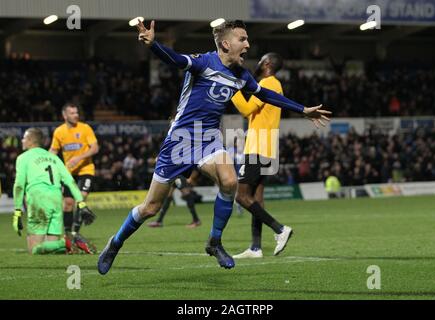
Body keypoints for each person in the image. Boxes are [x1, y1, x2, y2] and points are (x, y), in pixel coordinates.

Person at [97, 19, 331, 275]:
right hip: (181, 141)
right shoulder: (203, 62)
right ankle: (116, 242)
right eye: (242, 39)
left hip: (208, 138)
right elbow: (175, 59)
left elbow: (265, 95)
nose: (248, 44)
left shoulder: (241, 75)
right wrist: (154, 45)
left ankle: (214, 241)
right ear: (225, 43)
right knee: (150, 208)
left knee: (230, 182)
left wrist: (302, 110)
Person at [231, 53, 293, 259]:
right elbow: (253, 112)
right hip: (268, 148)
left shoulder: (267, 82)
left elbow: (246, 109)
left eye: (260, 61)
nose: (257, 64)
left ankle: (280, 229)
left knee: (241, 196)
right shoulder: (276, 84)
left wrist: (232, 91)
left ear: (266, 64)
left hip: (258, 147)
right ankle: (256, 247)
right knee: (256, 197)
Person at [12, 128, 96, 254]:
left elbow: (19, 185)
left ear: (30, 140)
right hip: (56, 199)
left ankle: (67, 241)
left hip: (38, 199)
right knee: (52, 249)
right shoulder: (54, 158)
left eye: (24, 138)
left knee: (33, 249)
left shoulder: (23, 158)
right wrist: (81, 203)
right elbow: (70, 181)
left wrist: (17, 210)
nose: (22, 140)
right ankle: (69, 244)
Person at [49, 103, 98, 251]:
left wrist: (79, 158)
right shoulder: (59, 132)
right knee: (68, 204)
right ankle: (68, 234)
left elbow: (95, 148)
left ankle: (75, 232)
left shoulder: (85, 128)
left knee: (81, 199)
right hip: (68, 173)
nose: (76, 115)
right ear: (65, 115)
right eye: (72, 113)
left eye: (76, 112)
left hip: (85, 170)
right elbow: (53, 150)